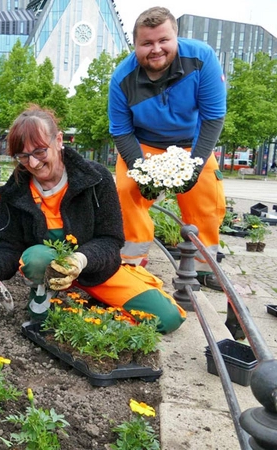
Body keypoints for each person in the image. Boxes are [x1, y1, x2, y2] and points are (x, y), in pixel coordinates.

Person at [0, 106, 186, 333]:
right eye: (23, 156)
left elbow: (110, 240)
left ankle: (91, 307)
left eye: (39, 152)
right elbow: (10, 246)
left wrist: (79, 261)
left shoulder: (96, 179)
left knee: (166, 318)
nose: (34, 164)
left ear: (58, 140)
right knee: (37, 262)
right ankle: (44, 294)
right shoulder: (15, 191)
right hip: (48, 272)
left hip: (95, 267)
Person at [108, 6, 227, 291]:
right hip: (144, 144)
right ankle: (132, 260)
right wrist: (143, 172)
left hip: (190, 144)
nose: (156, 49)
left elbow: (213, 117)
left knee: (206, 197)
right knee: (125, 192)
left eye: (164, 40)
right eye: (146, 43)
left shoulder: (202, 59)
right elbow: (121, 131)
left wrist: (196, 166)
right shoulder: (121, 80)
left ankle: (202, 267)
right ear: (135, 45)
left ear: (176, 37)